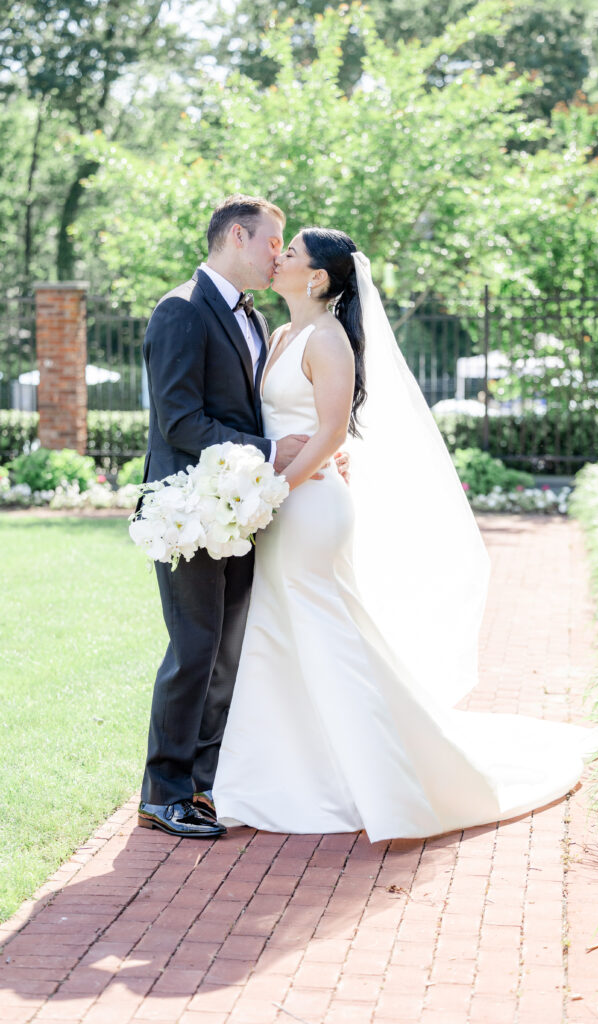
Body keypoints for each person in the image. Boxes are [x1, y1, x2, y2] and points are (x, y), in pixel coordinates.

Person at [211, 228, 598, 842]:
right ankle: (284, 778)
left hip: (310, 508)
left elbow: (333, 434)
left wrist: (278, 488)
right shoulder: (283, 334)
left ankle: (388, 784)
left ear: (316, 278)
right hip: (283, 502)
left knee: (328, 635)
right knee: (281, 634)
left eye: (290, 253)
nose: (277, 257)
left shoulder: (328, 338)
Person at [137, 196, 348, 839]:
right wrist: (266, 453)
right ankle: (163, 791)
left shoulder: (259, 319)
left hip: (245, 507)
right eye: (271, 241)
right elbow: (179, 420)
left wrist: (295, 457)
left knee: (230, 648)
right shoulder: (181, 310)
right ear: (237, 236)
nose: (278, 255)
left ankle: (206, 782)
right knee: (195, 647)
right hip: (192, 508)